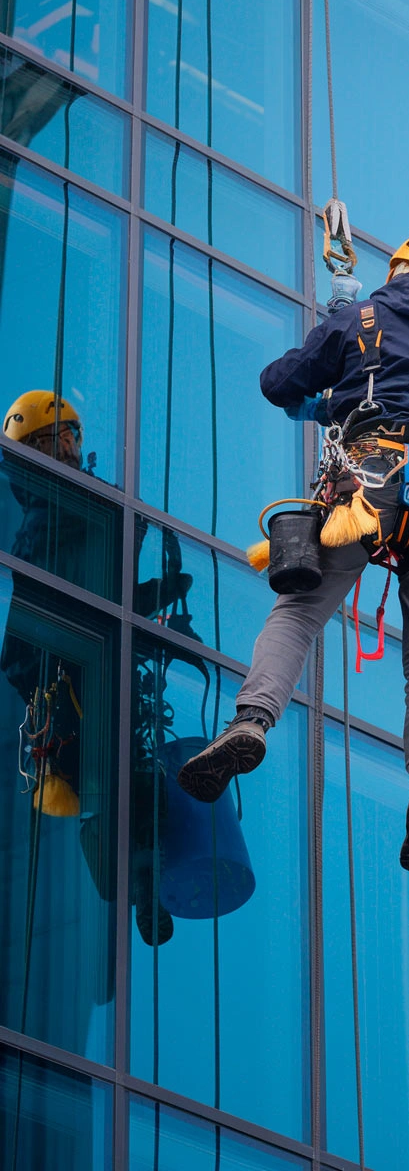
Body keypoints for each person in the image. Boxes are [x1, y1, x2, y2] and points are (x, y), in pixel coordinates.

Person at [177, 231, 409, 873]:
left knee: (300, 612)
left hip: (365, 490)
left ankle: (251, 722)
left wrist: (333, 352)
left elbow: (279, 381)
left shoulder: (361, 318)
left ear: (399, 268)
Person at [1, 390, 191, 944]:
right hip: (76, 684)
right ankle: (139, 884)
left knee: (139, 782)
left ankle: (141, 880)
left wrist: (153, 596)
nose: (67, 449)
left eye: (71, 437)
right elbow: (43, 621)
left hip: (100, 673)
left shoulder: (79, 511)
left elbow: (103, 593)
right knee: (124, 781)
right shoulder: (44, 519)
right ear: (28, 455)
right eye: (52, 441)